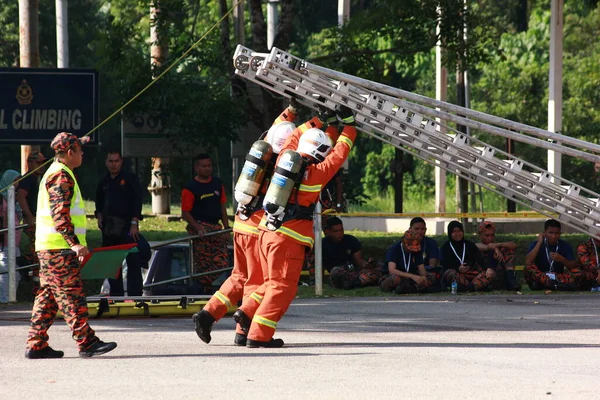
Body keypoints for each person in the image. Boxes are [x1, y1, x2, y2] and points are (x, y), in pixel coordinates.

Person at [233, 106, 357, 348]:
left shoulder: (284, 158)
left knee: (269, 283)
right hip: (288, 239)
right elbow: (339, 152)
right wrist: (349, 126)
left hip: (267, 232)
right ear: (320, 152)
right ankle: (259, 336)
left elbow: (293, 138)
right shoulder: (319, 172)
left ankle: (247, 312)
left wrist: (319, 121)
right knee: (281, 288)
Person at [192, 103, 298, 345]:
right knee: (257, 281)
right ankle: (242, 330)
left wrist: (289, 111)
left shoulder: (261, 151)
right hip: (258, 229)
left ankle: (209, 315)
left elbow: (276, 129)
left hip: (241, 222)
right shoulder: (286, 162)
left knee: (240, 276)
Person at [25, 132, 117, 359]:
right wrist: (74, 244)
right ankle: (87, 343)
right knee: (71, 296)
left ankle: (36, 344)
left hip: (50, 247)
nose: (82, 154)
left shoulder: (57, 172)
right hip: (59, 249)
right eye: (80, 150)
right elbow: (60, 215)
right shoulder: (61, 176)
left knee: (47, 299)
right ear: (69, 153)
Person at [94, 150, 144, 296]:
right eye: (111, 161)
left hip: (127, 226)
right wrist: (99, 217)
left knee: (133, 261)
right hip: (109, 228)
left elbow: (137, 201)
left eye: (116, 161)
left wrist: (135, 222)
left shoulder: (130, 178)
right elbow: (99, 202)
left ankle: (136, 296)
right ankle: (116, 296)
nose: (113, 164)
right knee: (112, 263)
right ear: (106, 162)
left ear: (121, 162)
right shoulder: (103, 181)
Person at [181, 153, 231, 293]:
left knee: (222, 262)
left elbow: (223, 208)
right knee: (203, 264)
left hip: (216, 227)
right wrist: (198, 228)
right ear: (196, 168)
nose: (207, 169)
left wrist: (226, 228)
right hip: (200, 227)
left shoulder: (217, 183)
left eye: (209, 166)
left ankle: (198, 286)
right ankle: (202, 291)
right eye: (204, 166)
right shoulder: (190, 187)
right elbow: (185, 213)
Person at [310, 216, 376, 290]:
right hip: (337, 273)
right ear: (328, 232)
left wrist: (368, 264)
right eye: (336, 231)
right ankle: (355, 283)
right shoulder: (322, 244)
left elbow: (359, 261)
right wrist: (318, 282)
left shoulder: (351, 240)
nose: (340, 233)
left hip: (353, 272)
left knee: (375, 270)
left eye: (341, 230)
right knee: (336, 271)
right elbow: (318, 265)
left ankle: (355, 283)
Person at [524, 219, 581, 291]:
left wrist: (562, 259)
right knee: (528, 268)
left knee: (578, 272)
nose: (553, 236)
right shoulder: (536, 244)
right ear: (544, 233)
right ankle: (556, 285)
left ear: (560, 234)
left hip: (558, 276)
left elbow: (573, 266)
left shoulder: (565, 245)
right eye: (550, 233)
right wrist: (539, 243)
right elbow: (527, 262)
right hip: (541, 275)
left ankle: (551, 285)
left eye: (556, 233)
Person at [379, 228, 440, 294]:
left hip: (411, 277)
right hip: (396, 276)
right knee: (395, 279)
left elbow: (422, 270)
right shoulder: (394, 249)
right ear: (404, 243)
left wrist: (423, 277)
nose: (413, 249)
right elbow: (392, 271)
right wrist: (412, 276)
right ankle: (414, 288)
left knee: (432, 276)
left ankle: (408, 289)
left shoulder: (417, 250)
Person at [440, 220, 491, 292]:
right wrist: (458, 268)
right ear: (450, 233)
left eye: (459, 231)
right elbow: (445, 264)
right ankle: (472, 287)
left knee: (489, 273)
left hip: (472, 274)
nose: (458, 234)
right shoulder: (445, 247)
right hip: (458, 276)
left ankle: (470, 287)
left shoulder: (469, 245)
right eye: (454, 231)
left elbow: (480, 259)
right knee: (450, 273)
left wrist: (488, 268)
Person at [16, 152, 46, 273]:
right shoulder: (29, 178)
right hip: (33, 220)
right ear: (29, 163)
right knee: (37, 253)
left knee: (38, 251)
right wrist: (29, 216)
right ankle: (22, 264)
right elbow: (20, 196)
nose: (42, 165)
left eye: (43, 162)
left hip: (38, 220)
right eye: (38, 163)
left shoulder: (36, 178)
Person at [475, 220, 521, 291]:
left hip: (499, 276)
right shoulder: (477, 246)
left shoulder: (499, 247)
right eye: (486, 235)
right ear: (480, 235)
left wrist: (497, 245)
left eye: (492, 235)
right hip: (483, 276)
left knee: (508, 250)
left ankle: (511, 281)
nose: (490, 238)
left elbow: (514, 245)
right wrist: (492, 248)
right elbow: (475, 247)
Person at [0, 170, 23, 303]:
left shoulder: (13, 197)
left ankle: (7, 298)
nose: (17, 184)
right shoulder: (1, 198)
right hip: (5, 241)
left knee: (17, 273)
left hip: (14, 241)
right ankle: (4, 299)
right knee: (5, 271)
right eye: (15, 181)